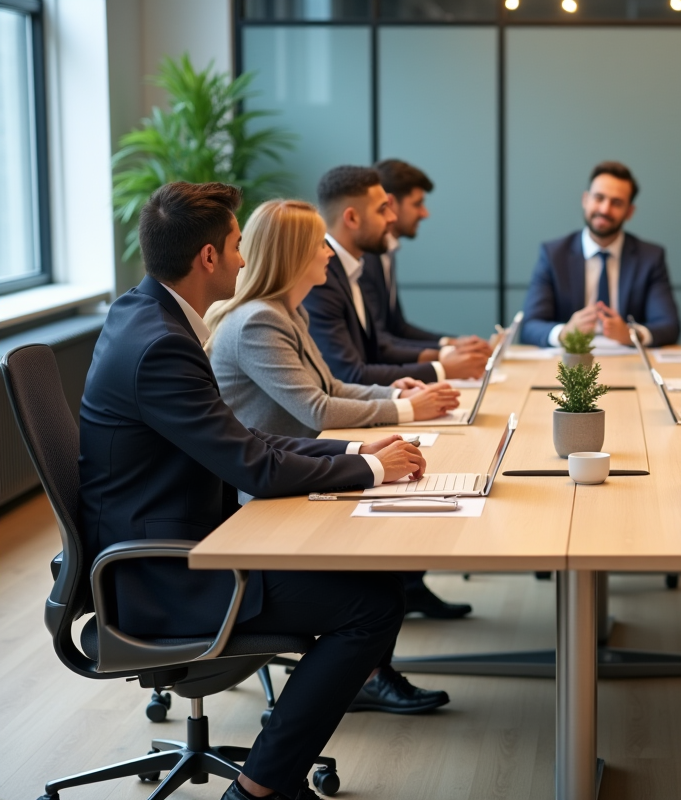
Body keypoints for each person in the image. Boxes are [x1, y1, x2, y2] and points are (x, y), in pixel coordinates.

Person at [78, 182, 436, 800]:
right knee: (374, 605)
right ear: (209, 258)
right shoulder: (163, 344)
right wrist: (373, 472)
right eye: (238, 245)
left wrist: (355, 452)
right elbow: (255, 468)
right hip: (164, 575)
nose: (246, 258)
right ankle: (261, 787)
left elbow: (243, 438)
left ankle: (269, 775)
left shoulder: (144, 314)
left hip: (186, 542)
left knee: (374, 588)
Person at [207, 198, 473, 628]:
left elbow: (329, 386)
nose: (330, 252)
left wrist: (391, 390)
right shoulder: (258, 321)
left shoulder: (287, 312)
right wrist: (405, 408)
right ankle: (371, 671)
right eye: (320, 244)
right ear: (294, 255)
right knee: (383, 547)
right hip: (265, 489)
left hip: (299, 465)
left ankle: (374, 661)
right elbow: (315, 410)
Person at [303, 165, 488, 386]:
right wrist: (442, 369)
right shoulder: (320, 277)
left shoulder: (352, 265)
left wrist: (444, 354)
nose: (392, 218)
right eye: (382, 209)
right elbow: (348, 374)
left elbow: (378, 346)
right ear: (351, 218)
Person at [519, 161, 681, 347]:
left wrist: (630, 334)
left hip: (628, 364)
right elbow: (530, 327)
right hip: (570, 363)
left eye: (616, 203)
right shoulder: (554, 254)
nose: (605, 209)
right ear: (585, 200)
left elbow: (669, 326)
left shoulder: (650, 258)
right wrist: (565, 332)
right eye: (599, 198)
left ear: (629, 212)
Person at [359, 158, 494, 366]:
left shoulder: (387, 253)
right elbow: (380, 341)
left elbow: (398, 327)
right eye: (417, 204)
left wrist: (452, 343)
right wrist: (445, 355)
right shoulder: (364, 260)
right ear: (391, 203)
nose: (425, 213)